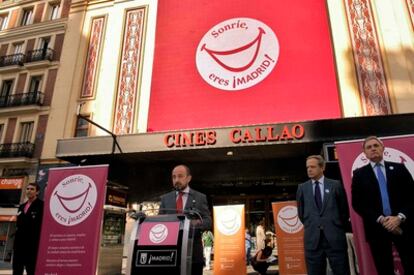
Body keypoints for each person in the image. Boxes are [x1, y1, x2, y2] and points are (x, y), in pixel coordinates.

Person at [351, 136, 414, 275]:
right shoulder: (359, 174)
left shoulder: (399, 168)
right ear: (365, 153)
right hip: (377, 230)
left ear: (383, 148)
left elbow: (412, 196)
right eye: (369, 147)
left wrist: (399, 217)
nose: (373, 149)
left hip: (402, 227)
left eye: (376, 145)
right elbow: (358, 203)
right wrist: (381, 219)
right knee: (384, 269)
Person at [296, 155, 350, 275]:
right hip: (313, 240)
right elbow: (301, 214)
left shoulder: (335, 185)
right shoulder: (302, 188)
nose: (309, 169)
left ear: (322, 167)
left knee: (342, 271)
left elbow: (344, 211)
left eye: (313, 167)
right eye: (307, 167)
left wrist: (335, 225)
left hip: (335, 238)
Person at [159, 164, 212, 275]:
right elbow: (160, 223)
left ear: (188, 178)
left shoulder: (200, 197)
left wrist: (195, 223)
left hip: (193, 253)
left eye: (180, 176)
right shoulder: (165, 198)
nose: (176, 180)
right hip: (170, 255)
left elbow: (208, 221)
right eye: (174, 177)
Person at [12, 183, 44, 275]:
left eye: (32, 189)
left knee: (31, 270)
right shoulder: (21, 206)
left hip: (32, 246)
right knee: (17, 270)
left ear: (37, 192)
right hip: (19, 245)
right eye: (27, 189)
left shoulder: (42, 205)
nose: (29, 191)